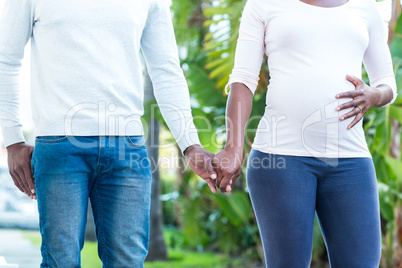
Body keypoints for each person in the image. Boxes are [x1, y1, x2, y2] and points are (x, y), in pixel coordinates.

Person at [0, 0, 218, 267]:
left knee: (127, 262)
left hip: (127, 149)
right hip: (59, 146)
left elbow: (166, 70)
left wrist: (190, 144)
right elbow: (6, 60)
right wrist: (12, 140)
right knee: (60, 262)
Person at [212, 0, 397, 266]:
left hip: (350, 159)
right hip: (281, 159)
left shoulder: (364, 6)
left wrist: (375, 95)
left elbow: (387, 82)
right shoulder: (263, 4)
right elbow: (243, 79)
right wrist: (233, 147)